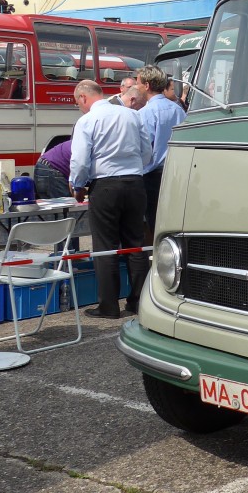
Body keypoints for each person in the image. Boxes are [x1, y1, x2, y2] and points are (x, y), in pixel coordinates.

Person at [70, 80, 152, 319]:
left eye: (78, 103)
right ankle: (138, 302)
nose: (79, 107)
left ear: (84, 98)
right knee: (135, 244)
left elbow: (81, 160)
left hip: (105, 185)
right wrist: (134, 168)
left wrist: (77, 185)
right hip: (135, 183)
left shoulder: (87, 121)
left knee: (105, 247)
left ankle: (108, 305)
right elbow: (147, 151)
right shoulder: (131, 116)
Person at [136, 65, 185, 239]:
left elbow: (144, 147)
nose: (137, 87)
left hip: (152, 176)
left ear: (147, 85)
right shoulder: (178, 110)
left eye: (138, 83)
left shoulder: (145, 113)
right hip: (176, 173)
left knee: (154, 223)